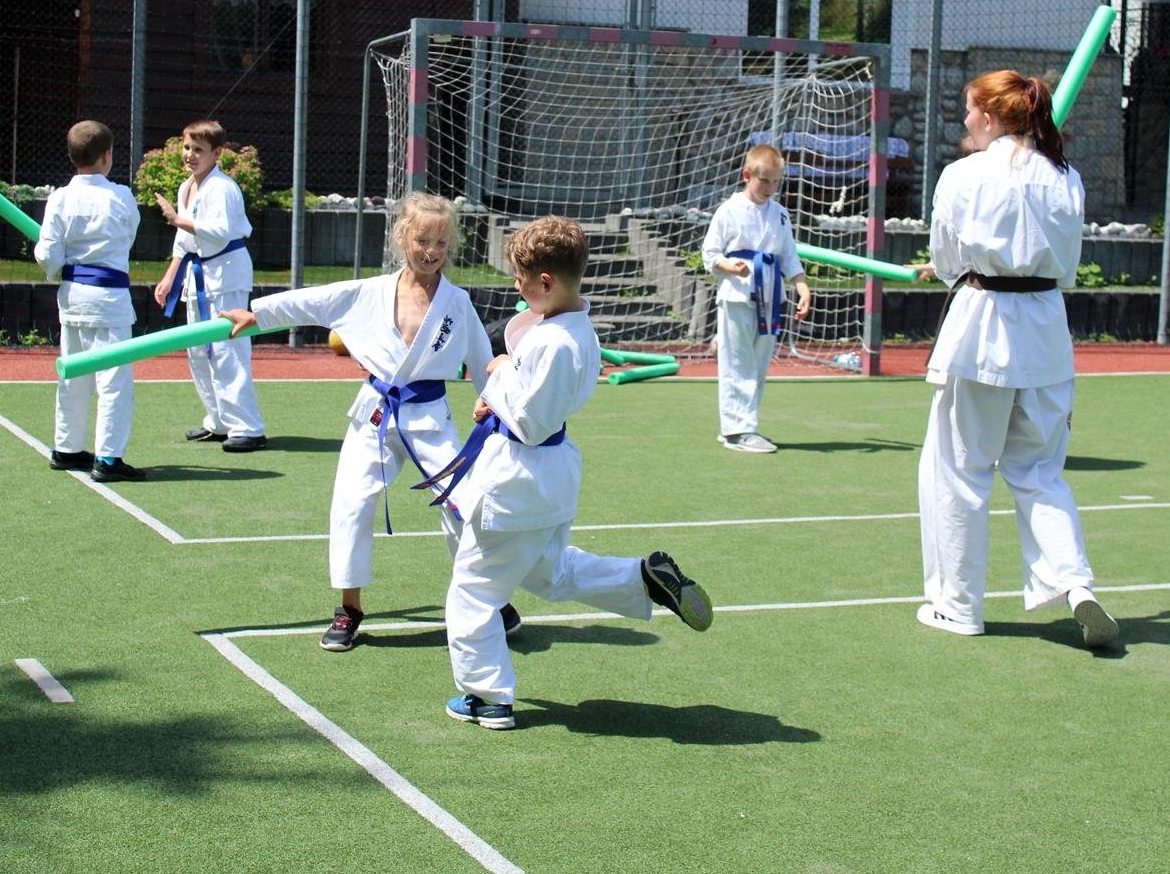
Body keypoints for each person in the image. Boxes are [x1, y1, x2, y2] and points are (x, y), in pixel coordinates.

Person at [427, 215, 712, 730]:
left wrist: (497, 377)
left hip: (520, 479)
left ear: (545, 281)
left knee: (473, 591)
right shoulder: (569, 326)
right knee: (549, 573)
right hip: (544, 481)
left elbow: (532, 422)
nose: (515, 286)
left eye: (520, 278)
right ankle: (640, 579)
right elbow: (533, 399)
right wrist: (500, 394)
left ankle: (488, 696)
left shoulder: (558, 342)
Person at [221, 193, 497, 651]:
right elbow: (314, 301)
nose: (430, 251)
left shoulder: (458, 302)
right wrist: (259, 314)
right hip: (375, 411)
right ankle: (349, 608)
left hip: (431, 416)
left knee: (463, 504)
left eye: (440, 242)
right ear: (402, 237)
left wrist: (491, 401)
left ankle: (486, 601)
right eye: (422, 239)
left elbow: (483, 361)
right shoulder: (369, 293)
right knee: (351, 502)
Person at [917, 70, 1118, 648]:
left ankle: (958, 605)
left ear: (990, 115)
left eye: (969, 110)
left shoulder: (964, 174)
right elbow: (1065, 260)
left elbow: (948, 260)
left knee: (959, 470)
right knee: (1039, 472)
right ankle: (1074, 582)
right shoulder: (1066, 176)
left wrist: (959, 266)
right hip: (1046, 329)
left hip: (983, 329)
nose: (965, 120)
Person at [34, 120, 145, 483]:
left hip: (73, 296)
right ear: (106, 156)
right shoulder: (121, 197)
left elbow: (49, 254)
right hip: (110, 298)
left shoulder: (60, 198)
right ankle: (108, 458)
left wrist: (54, 268)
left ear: (71, 156)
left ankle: (67, 448)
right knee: (114, 380)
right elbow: (128, 237)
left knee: (74, 374)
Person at [152, 119, 267, 453]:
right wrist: (170, 276)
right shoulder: (186, 186)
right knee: (199, 351)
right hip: (198, 275)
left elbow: (219, 232)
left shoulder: (223, 188)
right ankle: (219, 421)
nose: (190, 155)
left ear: (217, 153)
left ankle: (248, 427)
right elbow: (183, 240)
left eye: (198, 150)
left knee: (228, 351)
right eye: (187, 147)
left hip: (226, 275)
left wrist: (178, 219)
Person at [700, 143, 812, 453]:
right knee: (738, 362)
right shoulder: (728, 210)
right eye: (764, 180)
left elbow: (789, 255)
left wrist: (801, 286)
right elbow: (710, 253)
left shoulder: (780, 214)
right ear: (747, 175)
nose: (770, 188)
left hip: (770, 296)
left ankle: (742, 424)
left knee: (759, 364)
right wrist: (728, 267)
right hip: (737, 295)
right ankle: (738, 430)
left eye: (776, 182)